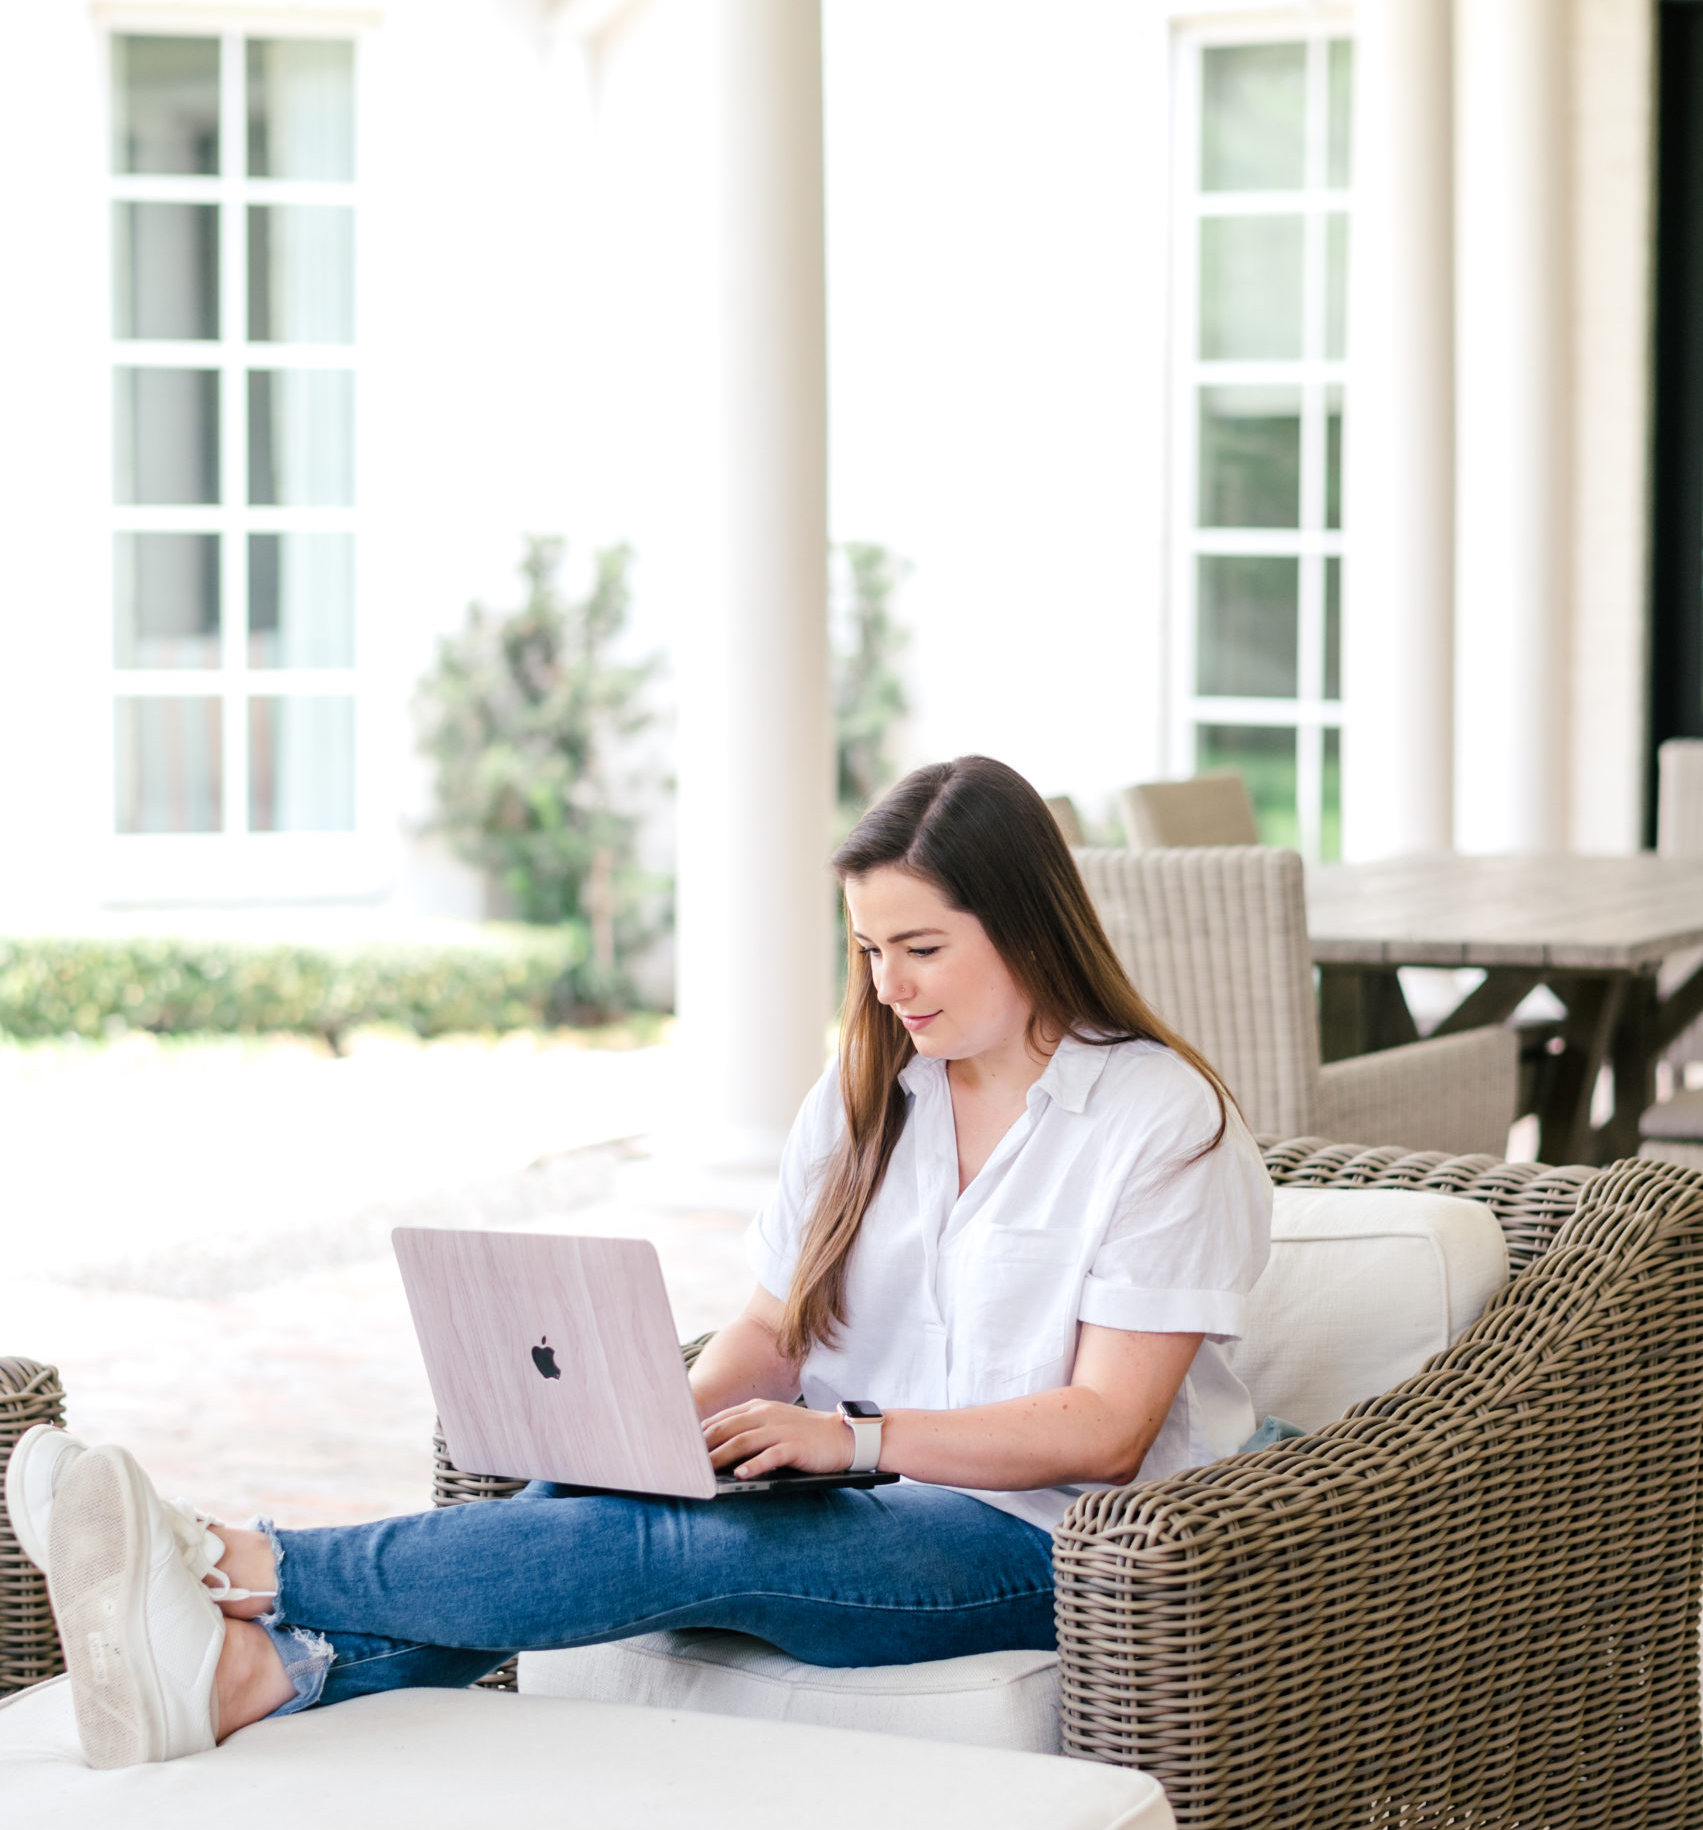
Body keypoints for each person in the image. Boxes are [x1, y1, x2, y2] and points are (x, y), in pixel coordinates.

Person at [11, 756, 1272, 1771]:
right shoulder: (866, 1096)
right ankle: (255, 1675)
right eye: (867, 950)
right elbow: (773, 1332)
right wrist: (651, 1422)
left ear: (1026, 925)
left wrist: (858, 1440)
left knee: (692, 1549)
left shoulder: (1156, 1120)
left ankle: (237, 1560)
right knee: (596, 1502)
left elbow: (1106, 1429)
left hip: (1049, 1545)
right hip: (848, 1491)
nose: (887, 986)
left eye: (921, 948)